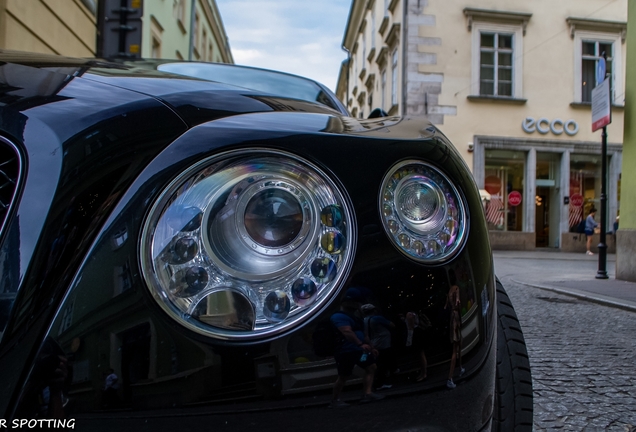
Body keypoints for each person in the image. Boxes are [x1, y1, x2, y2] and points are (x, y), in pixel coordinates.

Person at [329, 288, 385, 408]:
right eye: (355, 302)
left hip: (359, 351)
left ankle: (367, 393)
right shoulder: (339, 316)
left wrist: (370, 346)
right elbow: (346, 331)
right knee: (343, 376)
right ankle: (335, 400)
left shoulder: (354, 316)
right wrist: (360, 344)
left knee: (371, 367)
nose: (357, 305)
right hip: (346, 351)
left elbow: (363, 333)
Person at [361, 304, 396, 390]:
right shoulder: (377, 318)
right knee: (383, 362)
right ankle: (381, 382)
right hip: (383, 342)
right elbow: (392, 325)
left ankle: (380, 380)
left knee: (379, 362)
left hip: (373, 342)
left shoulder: (364, 320)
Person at [445, 270, 464, 389]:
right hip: (456, 318)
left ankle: (460, 367)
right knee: (455, 349)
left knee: (458, 344)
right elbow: (458, 303)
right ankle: (449, 378)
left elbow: (446, 305)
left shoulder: (449, 290)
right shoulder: (456, 289)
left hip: (452, 317)